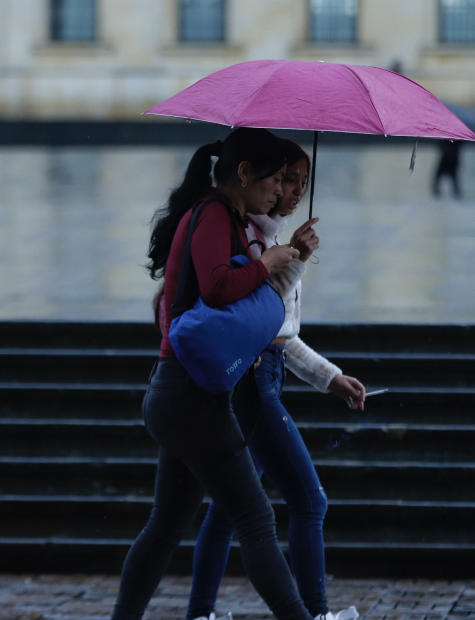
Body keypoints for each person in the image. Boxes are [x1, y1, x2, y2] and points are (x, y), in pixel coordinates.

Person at [112, 127, 312, 620]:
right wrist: (265, 262)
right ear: (244, 174)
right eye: (274, 180)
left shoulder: (228, 217)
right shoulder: (214, 215)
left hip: (182, 395)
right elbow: (220, 288)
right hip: (187, 396)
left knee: (164, 526)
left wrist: (282, 260)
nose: (276, 191)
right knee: (257, 519)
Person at [187, 139, 367, 620]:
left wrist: (330, 377)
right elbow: (264, 320)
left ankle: (200, 613)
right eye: (286, 179)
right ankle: (316, 613)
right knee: (308, 499)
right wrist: (294, 258)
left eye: (301, 183)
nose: (290, 192)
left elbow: (283, 334)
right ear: (254, 177)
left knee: (227, 509)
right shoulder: (255, 238)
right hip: (252, 381)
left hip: (263, 374)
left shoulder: (274, 236)